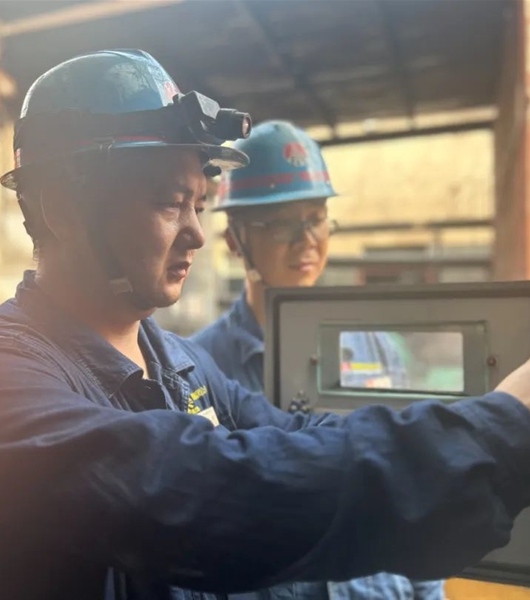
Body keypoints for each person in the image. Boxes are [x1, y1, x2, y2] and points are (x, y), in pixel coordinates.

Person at [0, 50, 530, 600]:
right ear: (61, 208)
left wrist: (483, 415)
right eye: (168, 202)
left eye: (199, 204)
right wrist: (506, 434)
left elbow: (297, 438)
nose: (195, 234)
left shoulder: (179, 361)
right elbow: (208, 492)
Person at [190, 120, 445, 599]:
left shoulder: (376, 348)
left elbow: (411, 481)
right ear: (235, 240)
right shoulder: (200, 369)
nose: (306, 239)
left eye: (316, 218)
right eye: (282, 223)